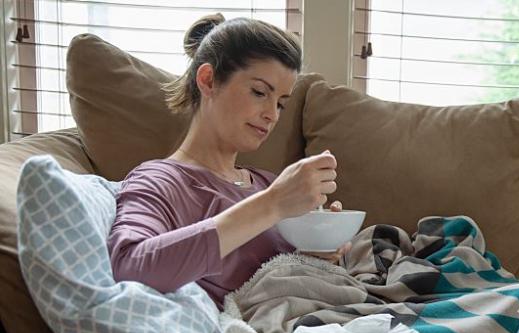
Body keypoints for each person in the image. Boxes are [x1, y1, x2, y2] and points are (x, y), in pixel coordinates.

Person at [107, 13, 349, 308]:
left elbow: (285, 277)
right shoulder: (160, 180)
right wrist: (271, 204)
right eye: (260, 92)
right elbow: (129, 268)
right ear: (208, 80)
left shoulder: (267, 183)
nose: (272, 114)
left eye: (281, 104)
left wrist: (321, 250)